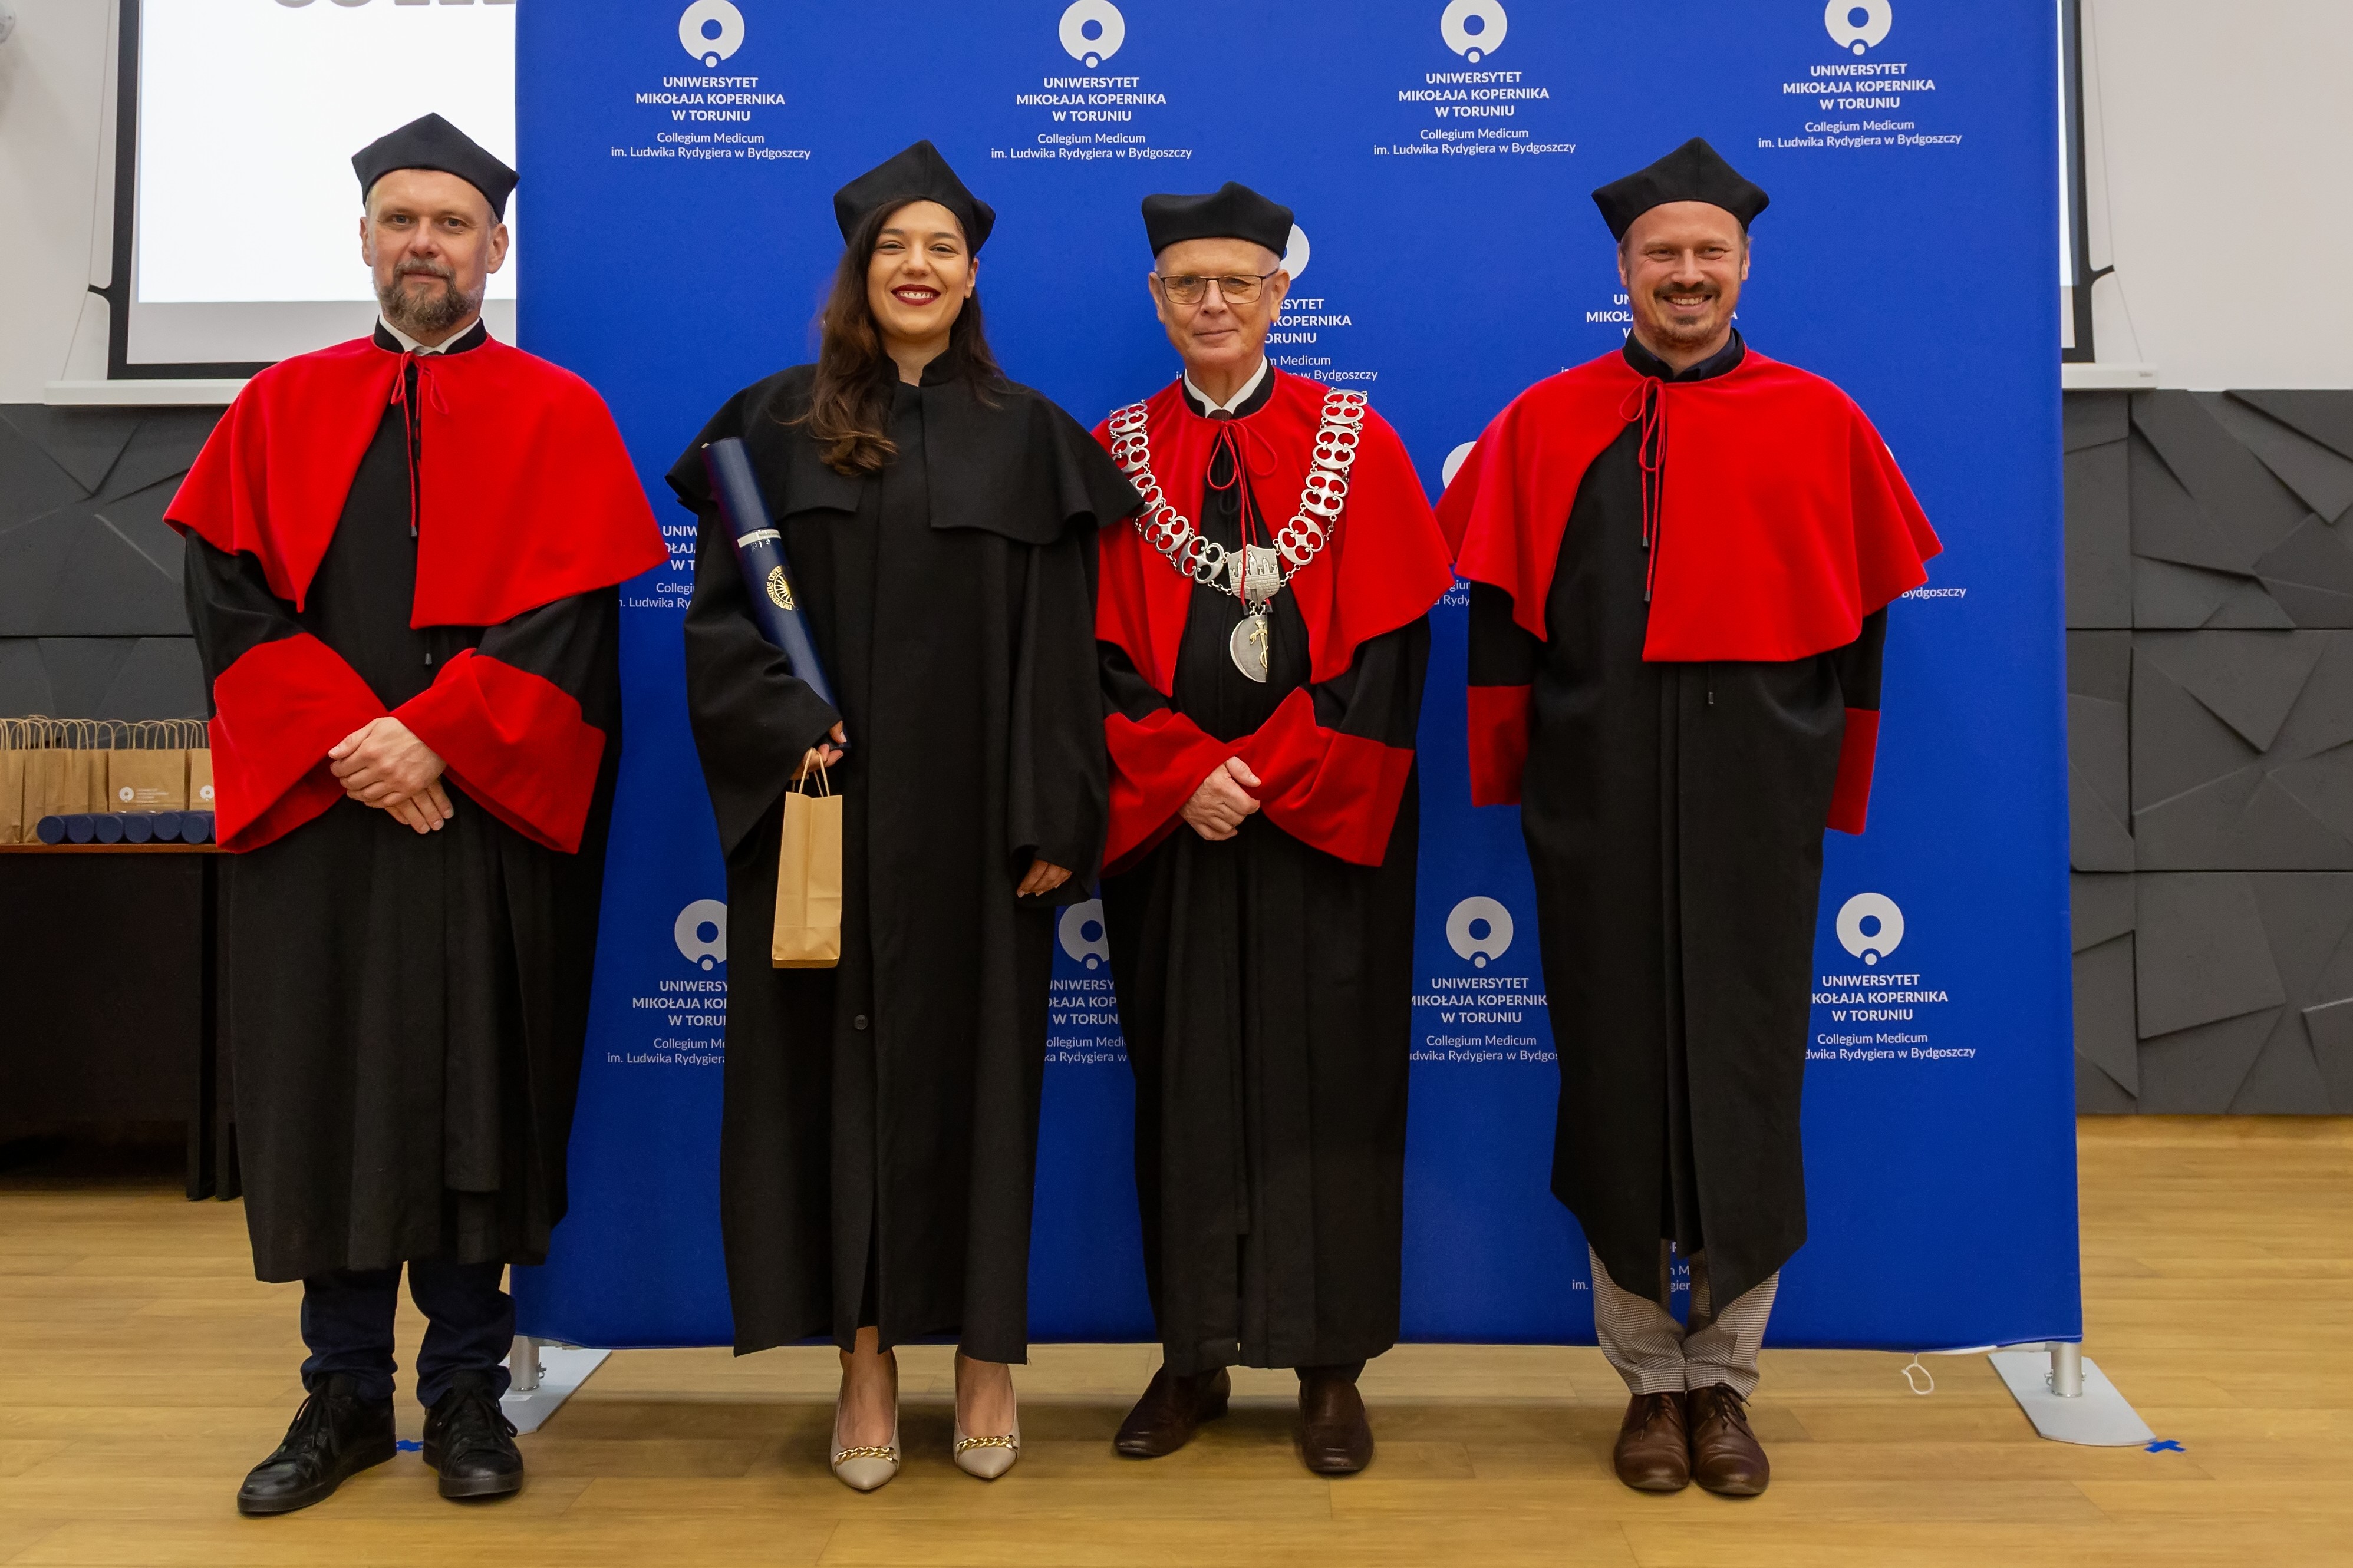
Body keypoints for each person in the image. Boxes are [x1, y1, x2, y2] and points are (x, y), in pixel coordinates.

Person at [171, 114, 666, 1514]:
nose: (424, 244)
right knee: (327, 1088)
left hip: (480, 816)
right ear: (365, 239)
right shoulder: (277, 406)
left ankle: (463, 1389)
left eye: (452, 223)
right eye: (401, 219)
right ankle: (340, 1392)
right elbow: (226, 602)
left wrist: (435, 734)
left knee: (474, 1089)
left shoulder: (557, 413)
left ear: (495, 247)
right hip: (321, 818)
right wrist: (355, 743)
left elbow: (570, 625)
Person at [1439, 138, 1942, 1497]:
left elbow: (1861, 640)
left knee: (1743, 1078)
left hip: (1754, 804)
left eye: (1708, 252)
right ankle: (1643, 1383)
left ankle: (1722, 1378)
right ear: (1621, 268)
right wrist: (1525, 785)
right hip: (1594, 802)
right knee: (1611, 1079)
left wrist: (1828, 785)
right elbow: (1498, 632)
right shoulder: (1546, 421)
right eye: (1660, 252)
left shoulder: (1819, 419)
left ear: (1744, 266)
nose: (1685, 272)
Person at [674, 141, 1136, 1491]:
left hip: (982, 832)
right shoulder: (769, 429)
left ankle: (986, 1356)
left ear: (972, 275)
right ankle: (864, 1359)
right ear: (859, 270)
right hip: (821, 818)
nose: (917, 266)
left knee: (987, 1084)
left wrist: (1056, 810)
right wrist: (781, 721)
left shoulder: (1032, 435)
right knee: (831, 1084)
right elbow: (718, 629)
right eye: (893, 246)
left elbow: (1066, 651)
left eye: (941, 247)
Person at [1091, 183, 1454, 1476]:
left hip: (1323, 828)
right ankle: (1191, 1352)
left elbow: (1391, 652)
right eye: (1187, 284)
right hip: (1174, 825)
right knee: (1183, 1082)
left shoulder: (1356, 440)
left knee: (1333, 1082)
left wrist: (1271, 771)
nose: (1212, 303)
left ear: (1278, 295)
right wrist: (1187, 772)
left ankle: (1328, 1363)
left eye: (1236, 282)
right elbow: (1086, 659)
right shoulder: (1113, 451)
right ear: (1157, 300)